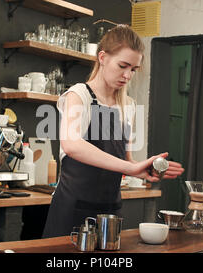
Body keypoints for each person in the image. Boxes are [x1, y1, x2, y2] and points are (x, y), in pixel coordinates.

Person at [42, 25, 184, 238]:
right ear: (102, 57)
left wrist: (147, 167)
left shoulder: (127, 105)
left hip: (110, 212)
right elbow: (71, 145)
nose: (127, 75)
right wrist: (131, 167)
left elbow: (125, 160)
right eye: (123, 66)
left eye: (133, 69)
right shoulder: (79, 95)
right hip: (72, 210)